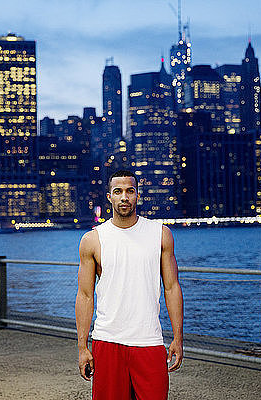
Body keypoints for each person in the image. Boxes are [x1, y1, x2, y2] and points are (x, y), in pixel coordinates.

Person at [75, 170, 184, 400]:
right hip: (107, 340)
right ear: (109, 197)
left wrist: (177, 337)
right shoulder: (93, 240)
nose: (124, 197)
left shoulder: (160, 234)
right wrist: (83, 347)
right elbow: (85, 296)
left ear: (137, 195)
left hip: (149, 340)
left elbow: (172, 287)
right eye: (118, 191)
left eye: (130, 191)